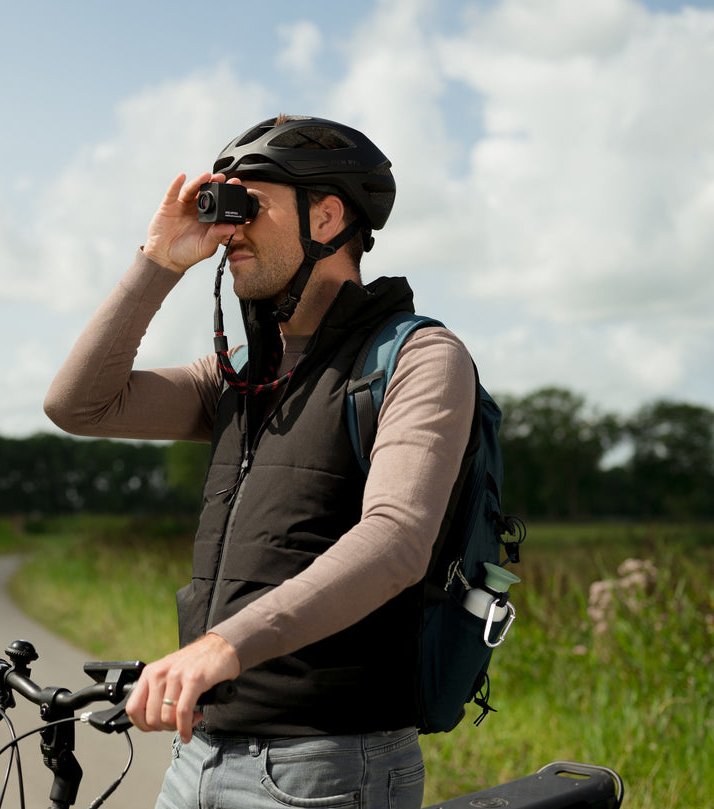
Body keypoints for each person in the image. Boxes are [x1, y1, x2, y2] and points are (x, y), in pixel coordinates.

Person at [43, 114, 476, 809]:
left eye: (252, 205)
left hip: (326, 764)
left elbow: (396, 539)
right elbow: (79, 405)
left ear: (328, 216)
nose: (229, 228)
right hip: (199, 750)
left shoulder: (417, 358)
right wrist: (158, 263)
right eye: (226, 204)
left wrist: (225, 644)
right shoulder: (238, 376)